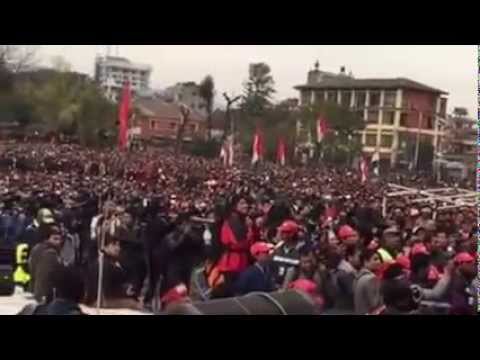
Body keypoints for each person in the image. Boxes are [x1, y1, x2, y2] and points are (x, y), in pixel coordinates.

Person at [215, 195, 257, 297]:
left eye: (246, 203)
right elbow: (237, 244)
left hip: (241, 263)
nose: (246, 206)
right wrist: (250, 230)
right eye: (242, 203)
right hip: (232, 264)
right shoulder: (231, 221)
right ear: (234, 206)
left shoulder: (244, 221)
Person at [85, 234, 140, 310]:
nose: (118, 248)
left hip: (101, 299)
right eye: (114, 245)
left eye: (118, 245)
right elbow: (107, 292)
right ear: (104, 247)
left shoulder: (110, 262)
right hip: (101, 301)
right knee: (134, 304)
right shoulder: (104, 264)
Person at [28, 224, 65, 303]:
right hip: (46, 292)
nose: (58, 242)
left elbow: (31, 267)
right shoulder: (50, 253)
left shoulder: (37, 247)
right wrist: (42, 294)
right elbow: (43, 275)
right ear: (47, 238)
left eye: (59, 239)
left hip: (38, 290)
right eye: (55, 239)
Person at [353, 249, 382, 315]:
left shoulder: (357, 276)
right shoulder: (371, 278)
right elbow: (374, 303)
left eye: (379, 259)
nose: (379, 261)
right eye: (375, 259)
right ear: (365, 262)